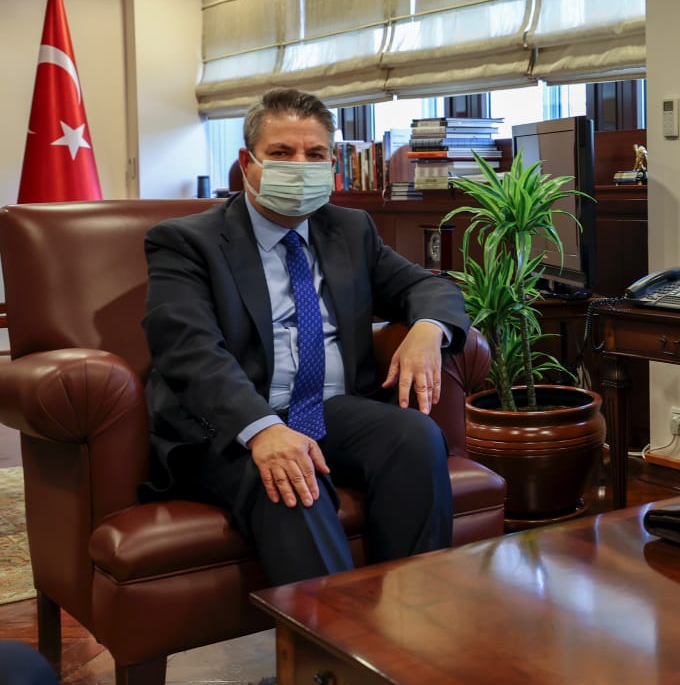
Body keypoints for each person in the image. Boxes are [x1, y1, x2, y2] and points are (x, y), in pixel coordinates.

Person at [142, 87, 470, 585]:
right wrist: (262, 429)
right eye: (281, 152)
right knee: (291, 479)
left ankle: (415, 612)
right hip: (232, 425)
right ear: (247, 163)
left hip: (329, 408)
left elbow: (427, 287)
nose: (300, 166)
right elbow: (188, 350)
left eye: (315, 154)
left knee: (415, 437)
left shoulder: (350, 230)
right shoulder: (187, 242)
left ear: (332, 163)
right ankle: (335, 633)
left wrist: (427, 330)